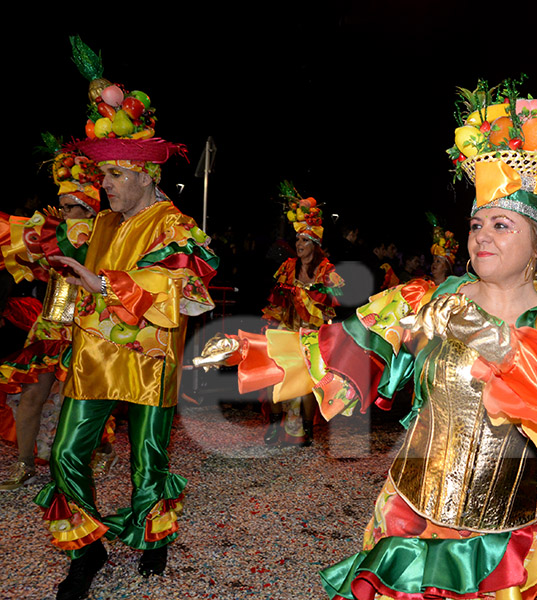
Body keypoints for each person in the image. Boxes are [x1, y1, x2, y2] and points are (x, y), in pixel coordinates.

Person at [196, 80, 537, 599]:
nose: (481, 236)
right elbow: (339, 347)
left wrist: (500, 346)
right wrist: (250, 347)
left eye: (501, 224)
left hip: (508, 541)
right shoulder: (422, 299)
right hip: (413, 519)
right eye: (476, 224)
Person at [22, 37, 218, 600]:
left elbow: (185, 281)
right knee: (64, 454)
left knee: (148, 457)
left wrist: (104, 283)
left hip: (148, 357)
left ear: (141, 175)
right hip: (94, 354)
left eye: (110, 176)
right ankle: (88, 548)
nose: (102, 184)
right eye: (101, 175)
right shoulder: (102, 223)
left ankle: (152, 537)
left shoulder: (174, 223)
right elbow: (68, 259)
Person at [0, 150, 117, 491]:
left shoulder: (104, 235)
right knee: (32, 395)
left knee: (85, 399)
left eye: (69, 208)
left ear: (89, 208)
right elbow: (23, 253)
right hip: (51, 324)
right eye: (61, 207)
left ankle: (103, 449)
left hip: (87, 327)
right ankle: (24, 464)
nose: (62, 213)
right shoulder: (52, 231)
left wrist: (56, 233)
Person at [261, 182, 343, 446]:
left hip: (310, 333)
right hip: (285, 330)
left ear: (315, 244)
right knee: (276, 376)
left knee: (306, 382)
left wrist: (312, 293)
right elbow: (274, 298)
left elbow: (337, 297)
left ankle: (306, 431)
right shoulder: (288, 266)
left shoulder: (326, 270)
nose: (299, 244)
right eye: (297, 239)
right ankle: (275, 427)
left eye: (304, 240)